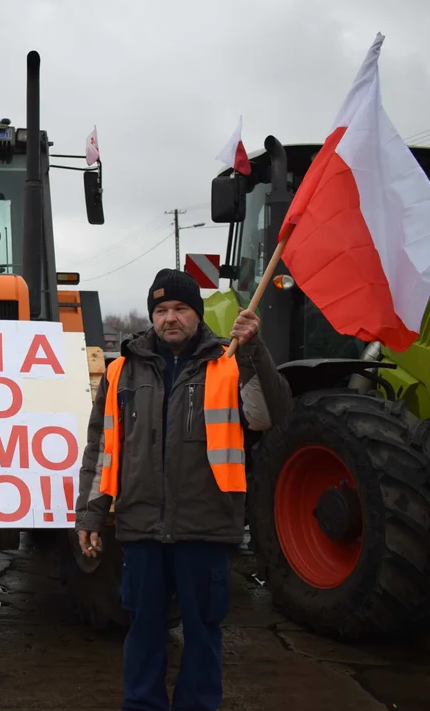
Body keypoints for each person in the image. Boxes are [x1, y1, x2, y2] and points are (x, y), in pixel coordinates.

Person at [74, 268, 293, 711]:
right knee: (144, 632)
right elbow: (101, 448)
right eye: (161, 310)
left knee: (203, 633)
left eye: (179, 309)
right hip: (141, 527)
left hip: (204, 527)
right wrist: (91, 513)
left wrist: (255, 352)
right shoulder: (121, 372)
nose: (169, 318)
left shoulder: (230, 364)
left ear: (197, 313)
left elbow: (269, 415)